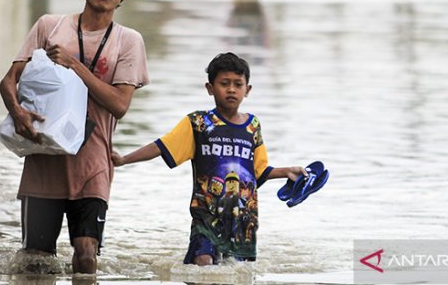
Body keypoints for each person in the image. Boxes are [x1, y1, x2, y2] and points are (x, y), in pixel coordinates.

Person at [0, 0, 150, 274]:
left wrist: (74, 65)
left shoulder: (128, 41)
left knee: (85, 258)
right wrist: (17, 112)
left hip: (92, 164)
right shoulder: (49, 26)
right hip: (43, 162)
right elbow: (8, 81)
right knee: (35, 263)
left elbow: (120, 105)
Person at [111, 52, 306, 264]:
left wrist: (286, 171)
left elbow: (258, 172)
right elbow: (161, 146)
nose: (231, 89)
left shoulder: (253, 126)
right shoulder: (198, 123)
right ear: (210, 88)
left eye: (238, 84)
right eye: (224, 83)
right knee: (203, 262)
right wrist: (123, 160)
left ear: (247, 90)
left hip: (242, 222)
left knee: (236, 272)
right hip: (206, 216)